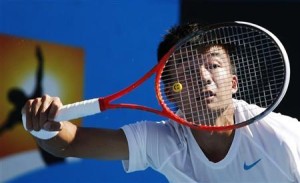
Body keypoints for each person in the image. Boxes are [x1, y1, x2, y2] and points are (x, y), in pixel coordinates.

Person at [23, 23, 300, 182]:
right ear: (170, 92)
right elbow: (72, 143)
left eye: (213, 65)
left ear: (234, 83)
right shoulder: (164, 141)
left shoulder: (282, 138)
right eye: (188, 71)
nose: (204, 78)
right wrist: (44, 127)